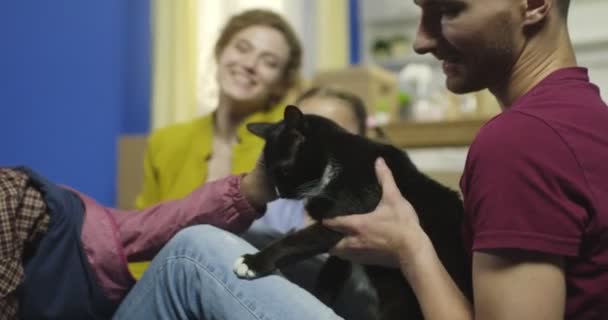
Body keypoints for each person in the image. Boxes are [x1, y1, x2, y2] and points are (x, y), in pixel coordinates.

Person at [114, 0, 608, 319]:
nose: (421, 40)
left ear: (534, 4)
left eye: (448, 10)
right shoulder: (584, 115)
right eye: (420, 12)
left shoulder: (520, 143)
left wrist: (410, 246)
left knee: (191, 254)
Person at [130, 8, 303, 278]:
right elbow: (142, 234)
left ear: (281, 83)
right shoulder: (165, 142)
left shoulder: (286, 145)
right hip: (164, 287)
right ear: (221, 50)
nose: (249, 64)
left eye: (269, 62)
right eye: (242, 48)